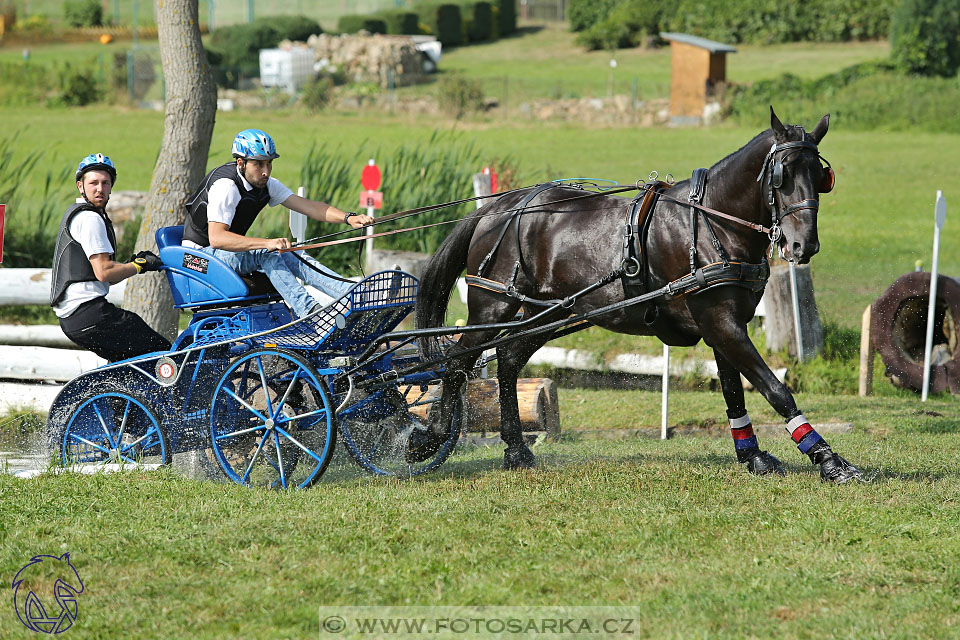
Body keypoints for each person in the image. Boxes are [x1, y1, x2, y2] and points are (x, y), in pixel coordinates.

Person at [181, 129, 374, 318]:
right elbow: (217, 239)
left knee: (292, 254)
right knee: (267, 252)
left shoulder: (266, 184)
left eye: (269, 164)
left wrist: (348, 218)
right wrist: (267, 243)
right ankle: (309, 312)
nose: (265, 172)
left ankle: (356, 295)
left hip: (224, 254)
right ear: (241, 163)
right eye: (258, 164)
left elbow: (310, 207)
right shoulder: (226, 187)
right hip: (197, 259)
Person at [50, 154, 171, 362]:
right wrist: (138, 265)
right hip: (89, 313)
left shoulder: (81, 214)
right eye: (93, 183)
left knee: (128, 364)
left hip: (75, 319)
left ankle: (121, 393)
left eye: (105, 183)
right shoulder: (89, 218)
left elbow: (109, 275)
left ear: (111, 186)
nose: (100, 188)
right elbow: (104, 272)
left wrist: (131, 266)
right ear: (81, 186)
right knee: (162, 352)